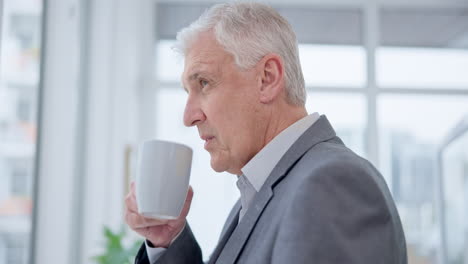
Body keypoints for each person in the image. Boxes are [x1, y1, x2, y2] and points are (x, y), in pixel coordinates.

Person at [125, 2, 407, 264]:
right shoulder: (257, 195)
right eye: (189, 92)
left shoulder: (331, 185)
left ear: (267, 78)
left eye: (205, 83)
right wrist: (168, 240)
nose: (188, 117)